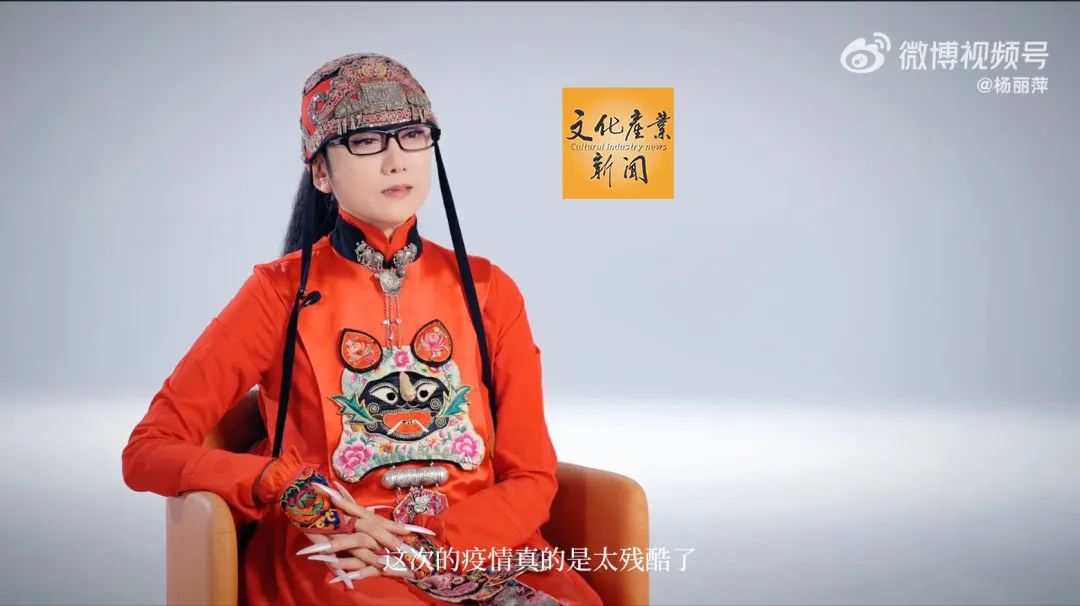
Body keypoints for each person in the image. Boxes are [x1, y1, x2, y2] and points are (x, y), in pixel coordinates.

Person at [121, 52, 604, 605]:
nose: (396, 161)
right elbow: (147, 451)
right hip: (339, 555)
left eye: (413, 135)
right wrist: (285, 485)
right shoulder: (278, 294)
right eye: (366, 141)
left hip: (478, 544)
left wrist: (429, 544)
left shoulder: (489, 289)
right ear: (321, 173)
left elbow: (533, 478)